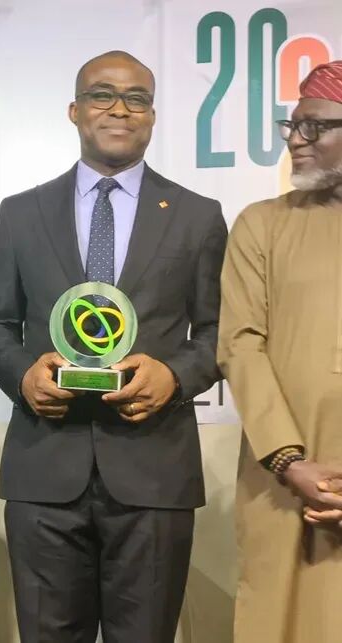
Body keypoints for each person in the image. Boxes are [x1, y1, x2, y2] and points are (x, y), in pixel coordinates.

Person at [0, 50, 228, 642]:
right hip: (44, 469)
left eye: (137, 98)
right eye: (102, 95)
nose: (120, 109)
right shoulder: (21, 213)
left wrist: (175, 376)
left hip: (154, 470)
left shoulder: (198, 216)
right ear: (74, 110)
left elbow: (222, 330)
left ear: (153, 116)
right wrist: (23, 376)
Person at [218, 60, 342, 643]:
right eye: (292, 126)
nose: (296, 140)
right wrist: (291, 463)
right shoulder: (261, 226)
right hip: (284, 480)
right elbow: (239, 344)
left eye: (315, 127)